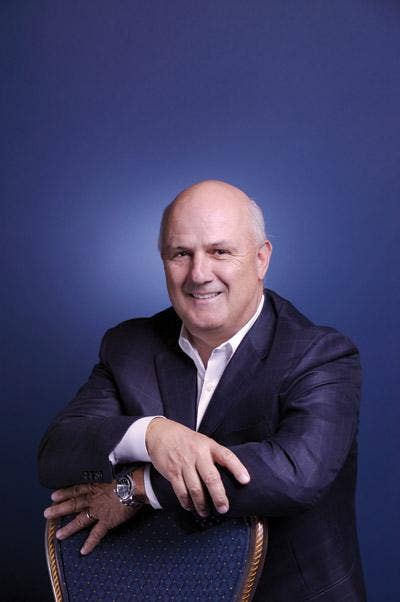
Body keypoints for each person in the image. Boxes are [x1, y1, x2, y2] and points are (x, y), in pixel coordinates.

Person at [39, 180, 366, 601]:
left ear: (261, 258)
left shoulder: (321, 355)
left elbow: (294, 474)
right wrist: (154, 434)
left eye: (220, 251)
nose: (198, 274)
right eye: (181, 253)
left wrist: (139, 486)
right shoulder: (129, 346)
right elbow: (57, 452)